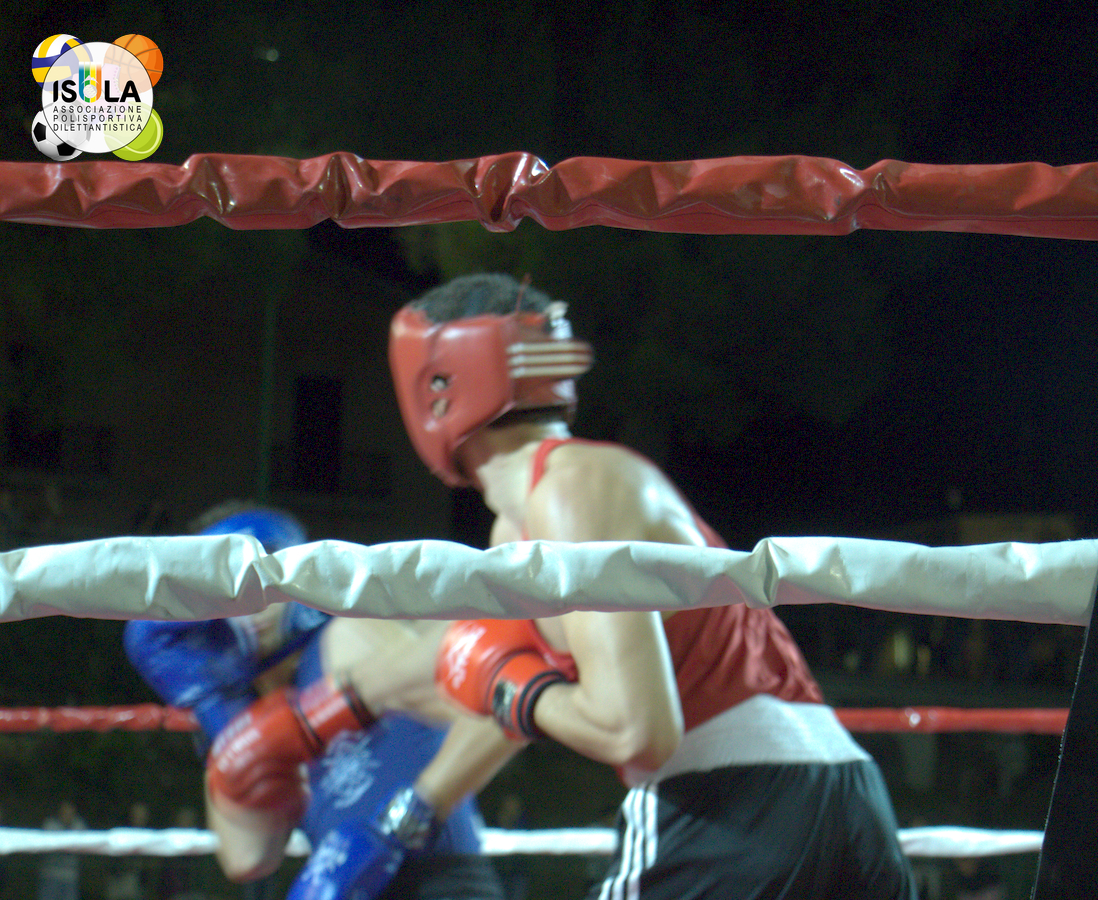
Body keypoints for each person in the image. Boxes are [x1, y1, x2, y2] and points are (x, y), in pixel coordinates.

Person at [380, 273, 915, 899]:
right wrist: (418, 804)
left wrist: (505, 687)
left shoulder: (569, 493)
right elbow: (519, 687)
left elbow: (635, 732)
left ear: (436, 389)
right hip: (845, 804)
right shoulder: (540, 514)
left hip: (730, 810)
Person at [123, 504, 508, 900]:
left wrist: (406, 817)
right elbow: (247, 857)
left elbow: (490, 689)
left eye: (262, 581)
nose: (252, 606)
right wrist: (216, 705)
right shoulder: (239, 711)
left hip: (441, 880)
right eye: (228, 593)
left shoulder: (343, 638)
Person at [38, 799, 85, 900]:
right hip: (51, 874)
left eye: (70, 811)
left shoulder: (78, 825)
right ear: (60, 811)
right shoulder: (50, 824)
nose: (67, 814)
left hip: (70, 876)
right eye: (65, 811)